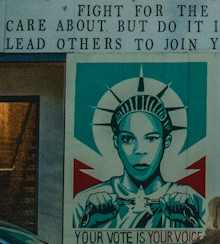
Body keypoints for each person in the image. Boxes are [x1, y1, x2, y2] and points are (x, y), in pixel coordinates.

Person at [73, 87, 204, 230]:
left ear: (166, 141)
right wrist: (89, 223)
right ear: (116, 142)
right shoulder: (85, 202)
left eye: (151, 138)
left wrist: (190, 222)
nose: (140, 150)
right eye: (128, 139)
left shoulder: (192, 200)